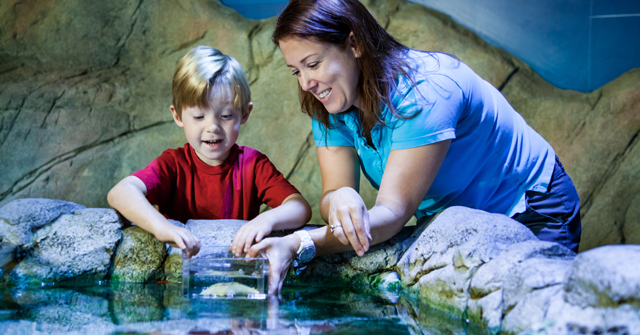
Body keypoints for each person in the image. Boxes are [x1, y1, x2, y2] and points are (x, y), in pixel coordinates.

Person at [248, 0, 581, 293]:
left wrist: (297, 243)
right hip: (454, 220)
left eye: (313, 64)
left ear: (354, 43)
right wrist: (339, 197)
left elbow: (392, 214)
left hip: (529, 207)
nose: (306, 83)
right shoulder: (329, 102)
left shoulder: (426, 91)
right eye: (296, 71)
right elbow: (333, 194)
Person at [107, 46, 312, 258]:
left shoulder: (253, 165)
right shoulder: (173, 164)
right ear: (177, 115)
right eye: (198, 117)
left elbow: (300, 207)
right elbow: (120, 192)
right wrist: (162, 227)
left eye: (225, 116)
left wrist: (266, 220)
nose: (212, 127)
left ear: (244, 113)